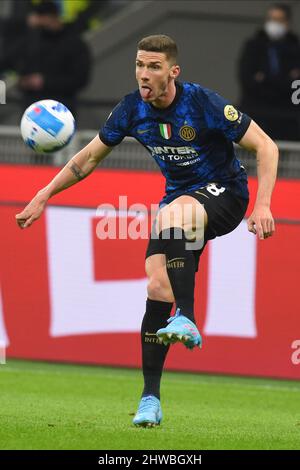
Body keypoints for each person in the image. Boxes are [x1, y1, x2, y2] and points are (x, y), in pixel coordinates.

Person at [16, 35, 278, 427]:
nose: (144, 74)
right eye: (140, 65)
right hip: (180, 200)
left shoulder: (203, 103)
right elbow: (87, 159)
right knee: (158, 287)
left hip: (226, 195)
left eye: (153, 67)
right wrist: (45, 192)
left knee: (172, 216)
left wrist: (263, 204)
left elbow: (266, 146)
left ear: (173, 72)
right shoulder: (130, 110)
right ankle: (150, 399)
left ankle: (187, 316)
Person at [0, 1, 91, 117]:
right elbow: (9, 61)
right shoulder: (31, 41)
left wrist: (44, 82)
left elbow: (80, 79)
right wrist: (24, 81)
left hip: (61, 110)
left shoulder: (74, 43)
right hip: (32, 109)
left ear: (52, 17)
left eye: (41, 17)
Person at [238, 3, 300, 141]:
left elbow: (296, 85)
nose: (274, 24)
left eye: (279, 20)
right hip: (255, 114)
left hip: (287, 119)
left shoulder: (295, 48)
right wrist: (284, 81)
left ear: (287, 22)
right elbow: (248, 80)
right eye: (271, 19)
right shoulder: (253, 46)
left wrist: (264, 79)